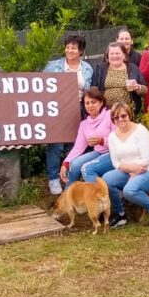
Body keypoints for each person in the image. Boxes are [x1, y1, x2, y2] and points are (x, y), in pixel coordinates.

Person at [44, 33, 96, 195]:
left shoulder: (87, 68)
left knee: (78, 144)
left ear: (80, 50)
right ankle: (53, 178)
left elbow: (90, 91)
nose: (70, 50)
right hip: (58, 110)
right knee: (56, 145)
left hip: (79, 109)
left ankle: (72, 177)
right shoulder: (53, 66)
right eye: (67, 47)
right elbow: (42, 88)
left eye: (74, 48)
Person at [102, 102, 149, 230]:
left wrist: (135, 172)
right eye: (116, 117)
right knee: (107, 179)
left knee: (129, 191)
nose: (120, 119)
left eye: (123, 115)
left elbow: (146, 159)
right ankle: (120, 214)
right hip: (129, 171)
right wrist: (132, 170)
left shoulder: (140, 131)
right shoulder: (112, 137)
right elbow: (116, 162)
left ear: (129, 115)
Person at [60, 88, 115, 187]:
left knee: (87, 168)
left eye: (93, 102)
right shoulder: (84, 124)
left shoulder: (110, 115)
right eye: (87, 103)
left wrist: (102, 141)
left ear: (101, 102)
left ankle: (96, 197)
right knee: (74, 165)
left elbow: (119, 139)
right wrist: (66, 163)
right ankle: (68, 196)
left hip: (113, 152)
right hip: (98, 152)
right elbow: (78, 147)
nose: (90, 106)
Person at [91, 42, 147, 113]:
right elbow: (93, 89)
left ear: (124, 55)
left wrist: (137, 87)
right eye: (112, 53)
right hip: (106, 111)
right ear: (107, 56)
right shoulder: (100, 69)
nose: (114, 56)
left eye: (117, 53)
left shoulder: (133, 68)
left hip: (128, 111)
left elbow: (145, 91)